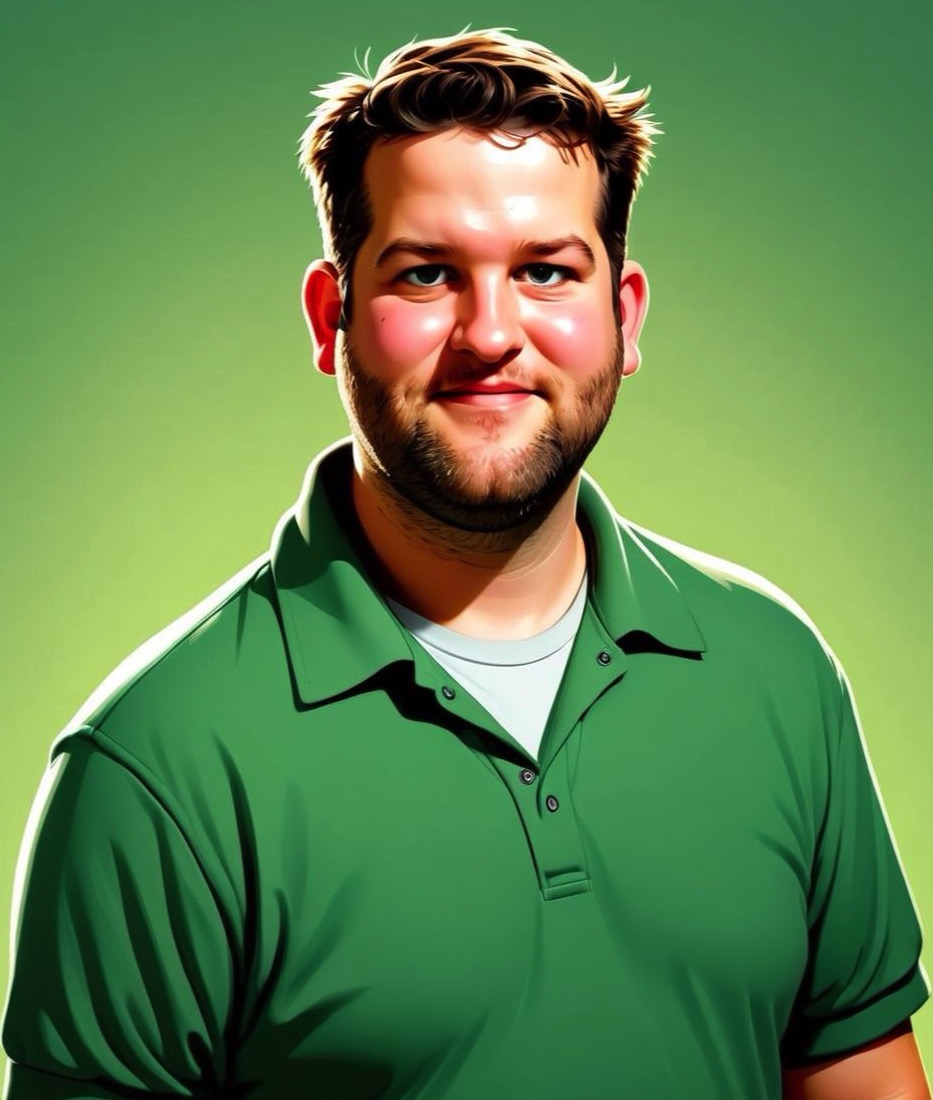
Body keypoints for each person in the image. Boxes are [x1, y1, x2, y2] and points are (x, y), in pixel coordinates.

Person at [2, 27, 930, 1100]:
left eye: (546, 271)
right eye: (427, 274)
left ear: (623, 315)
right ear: (331, 317)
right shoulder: (154, 765)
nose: (490, 333)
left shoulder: (776, 671)